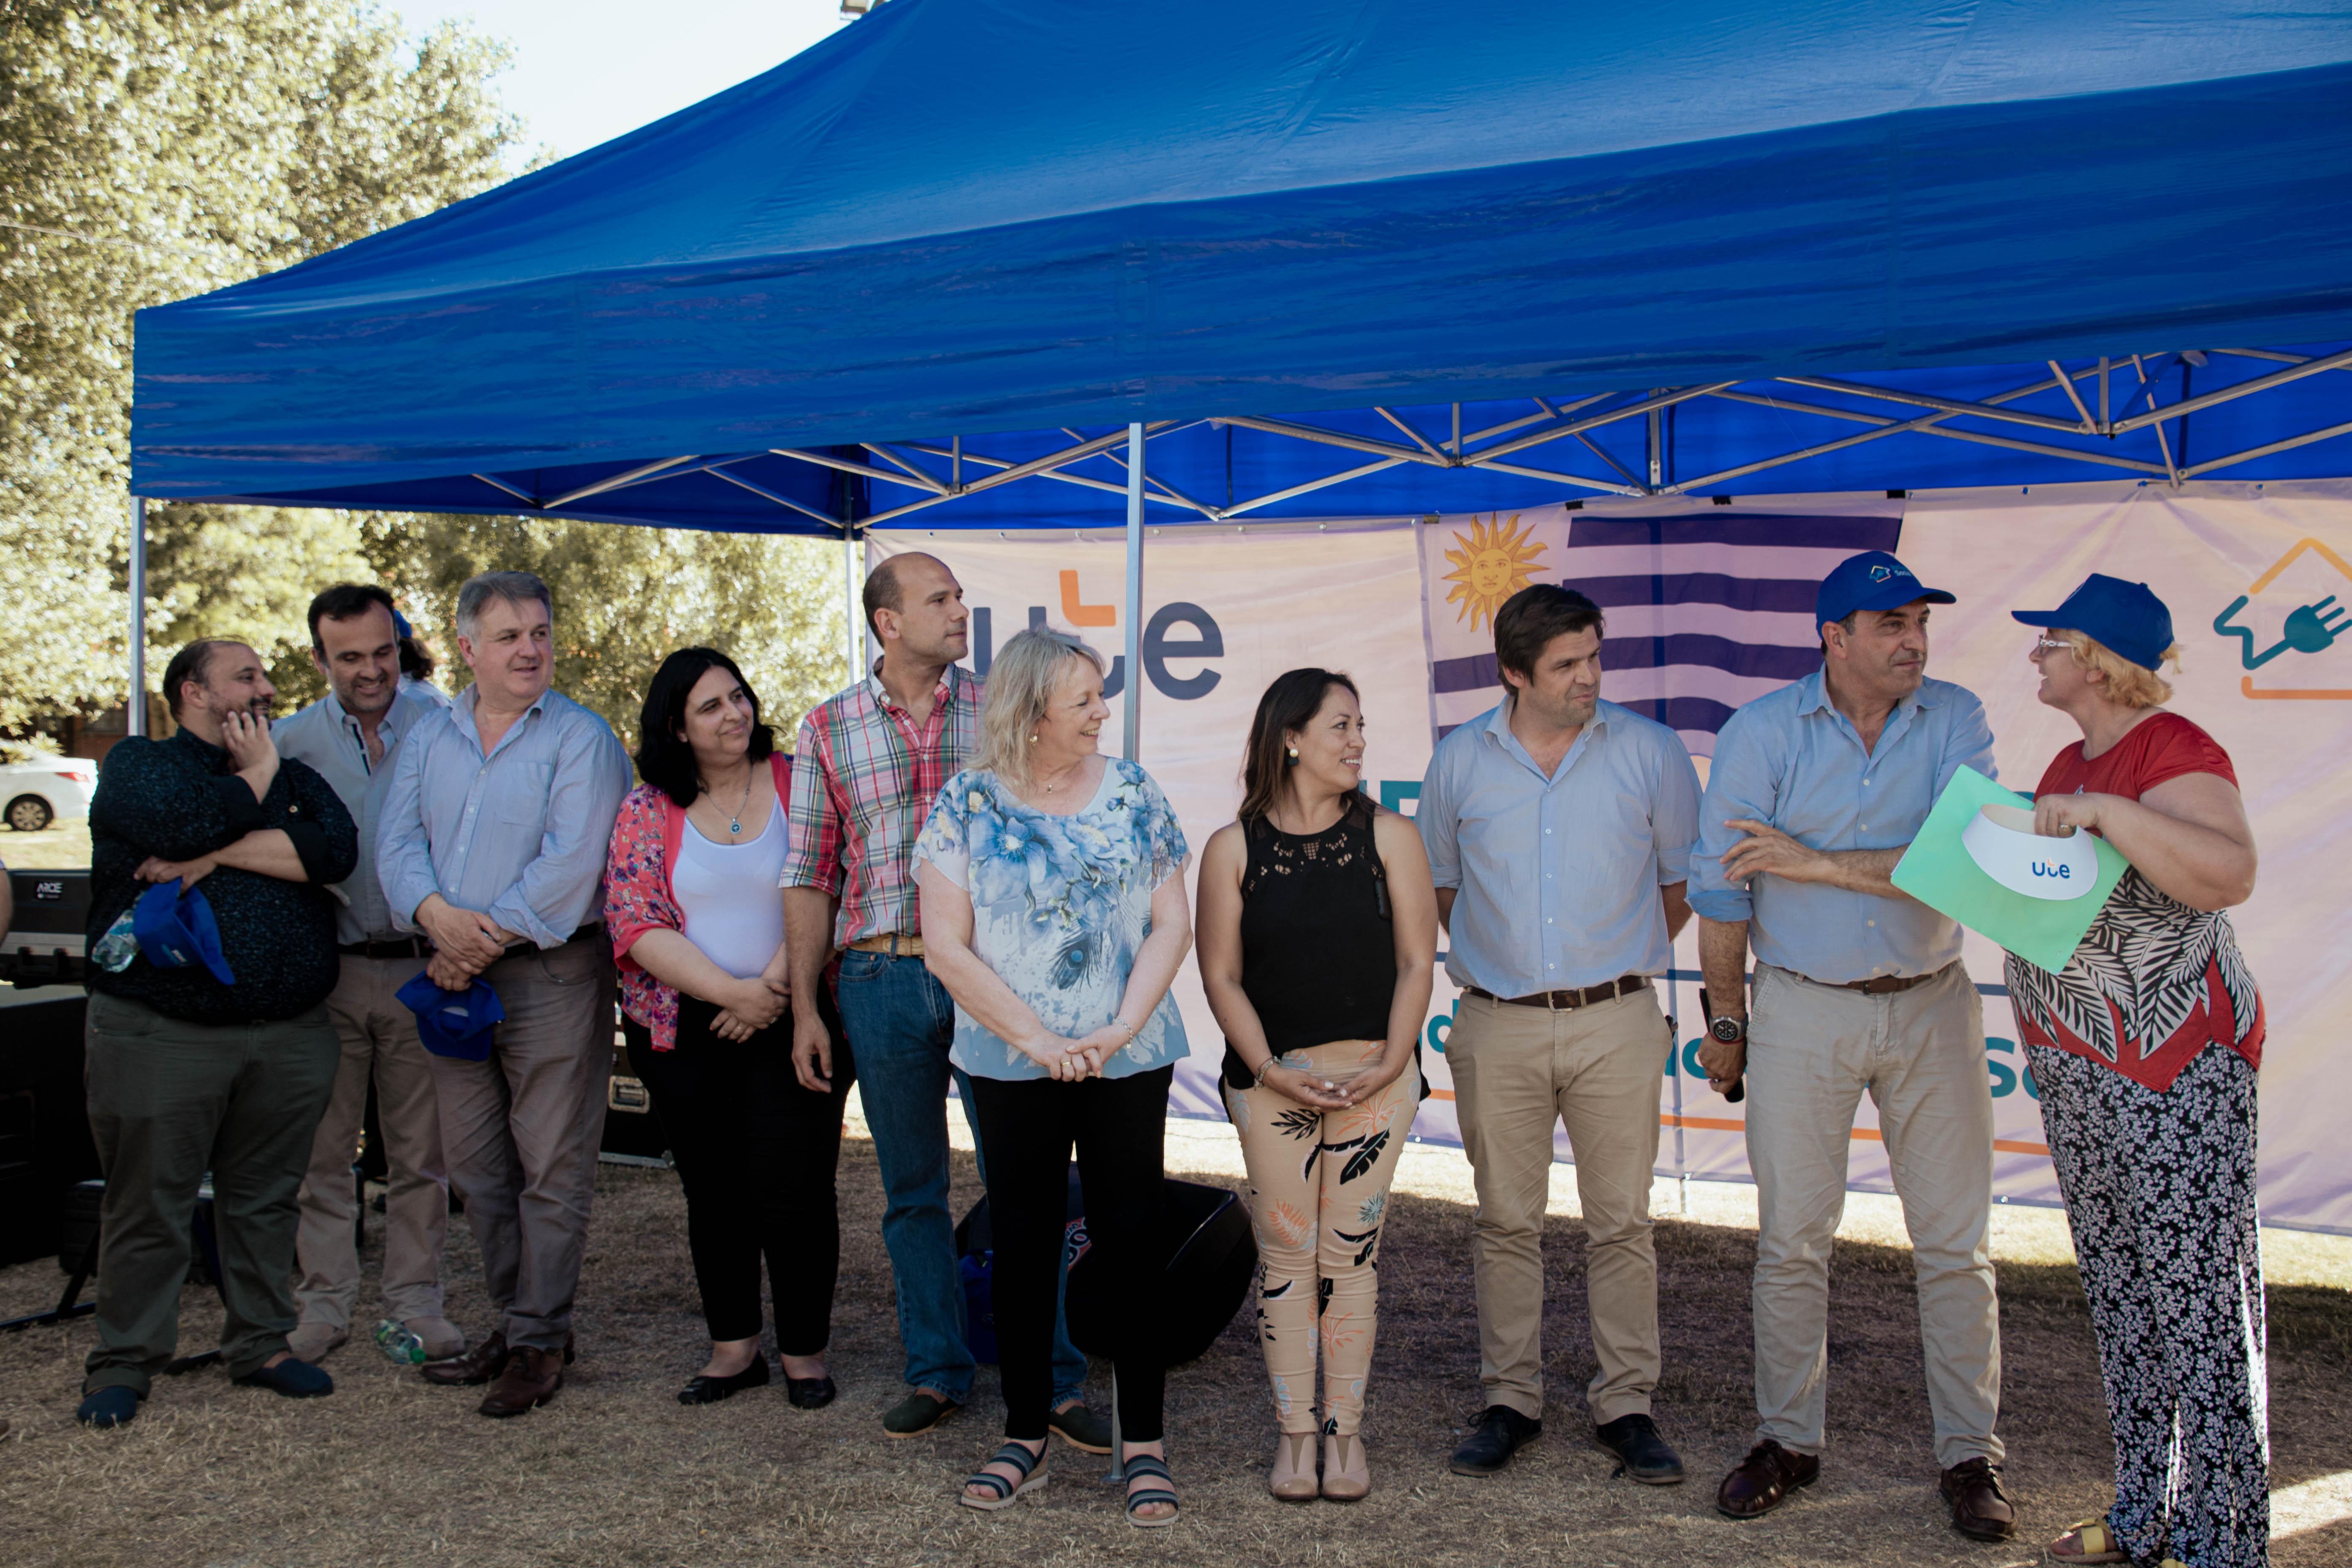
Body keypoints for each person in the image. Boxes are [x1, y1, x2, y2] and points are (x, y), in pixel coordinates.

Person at [1689, 550, 2016, 1541]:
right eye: (1890, 624)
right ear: (1834, 638)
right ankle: (1788, 1437)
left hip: (1931, 1003)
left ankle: (1971, 1456)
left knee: (1957, 1246)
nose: (1913, 639)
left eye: (1919, 620)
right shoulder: (1761, 731)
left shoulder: (1956, 716)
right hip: (1801, 1007)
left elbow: (1968, 866)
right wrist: (1727, 1023)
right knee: (1792, 1239)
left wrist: (1817, 863)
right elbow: (1722, 893)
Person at [780, 553, 1104, 1448]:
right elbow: (809, 872)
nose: (962, 610)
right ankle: (938, 1369)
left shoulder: (1002, 709)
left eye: (961, 594)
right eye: (940, 598)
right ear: (888, 621)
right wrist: (807, 1007)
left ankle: (1061, 1381)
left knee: (1029, 1185)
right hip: (879, 979)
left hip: (998, 978)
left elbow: (1060, 823)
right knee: (911, 1189)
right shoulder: (827, 727)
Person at [2002, 578, 2268, 1568]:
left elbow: (2227, 869)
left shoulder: (2172, 750)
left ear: (2098, 658)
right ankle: (2151, 1510)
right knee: (2125, 1295)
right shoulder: (2074, 756)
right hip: (2085, 1070)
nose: (2037, 656)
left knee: (2198, 1299)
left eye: (2050, 642)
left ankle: (2223, 1539)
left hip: (2173, 1071)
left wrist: (2105, 809)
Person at [1414, 585, 1701, 1486]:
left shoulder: (1651, 752)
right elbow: (1442, 891)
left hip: (1618, 1017)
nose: (1589, 677)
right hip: (1496, 1022)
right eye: (1566, 665)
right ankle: (1511, 1400)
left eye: (1594, 657)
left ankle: (1628, 1404)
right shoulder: (1458, 761)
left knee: (1621, 1223)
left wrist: (1605, 959)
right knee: (1505, 1221)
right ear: (1513, 673)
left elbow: (1678, 884)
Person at [912, 628, 1193, 1526]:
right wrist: (1035, 1038)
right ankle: (1024, 1433)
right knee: (1024, 1243)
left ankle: (1142, 1445)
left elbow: (1170, 925)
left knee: (1132, 1240)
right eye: (1083, 699)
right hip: (1009, 1061)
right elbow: (944, 943)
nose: (1102, 711)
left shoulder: (1135, 792)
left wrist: (1115, 1028)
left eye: (1099, 696)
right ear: (1032, 713)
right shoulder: (965, 803)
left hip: (1127, 1058)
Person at [74, 639, 357, 1428]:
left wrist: (215, 851)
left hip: (288, 1034)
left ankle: (262, 1343)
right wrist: (257, 789)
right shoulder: (139, 766)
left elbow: (333, 850)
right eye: (248, 678)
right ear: (194, 693)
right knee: (148, 1203)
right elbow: (182, 817)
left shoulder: (295, 775)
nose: (268, 689)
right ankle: (126, 1362)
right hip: (164, 1032)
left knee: (265, 1201)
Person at [378, 571, 632, 1419]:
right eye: (511, 634)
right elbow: (397, 843)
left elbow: (571, 864)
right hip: (452, 977)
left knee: (551, 1166)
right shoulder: (427, 735)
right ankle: (527, 1321)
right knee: (481, 1169)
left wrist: (472, 941)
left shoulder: (582, 738)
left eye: (541, 631)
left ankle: (536, 1338)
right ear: (467, 647)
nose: (530, 648)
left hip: (550, 972)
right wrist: (438, 920)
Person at [1197, 668, 1437, 1502]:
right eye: (1341, 725)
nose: (1358, 741)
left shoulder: (1392, 836)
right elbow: (1221, 977)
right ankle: (1296, 1434)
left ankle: (1346, 1434)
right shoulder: (1233, 848)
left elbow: (1416, 961)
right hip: (1273, 1086)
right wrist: (1269, 1070)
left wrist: (1392, 1057)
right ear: (1290, 737)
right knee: (1288, 1255)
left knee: (1352, 1255)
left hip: (1378, 1075)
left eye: (1361, 725)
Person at [604, 648, 854, 1408]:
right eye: (710, 706)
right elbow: (634, 919)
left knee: (798, 1190)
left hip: (800, 1014)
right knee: (714, 1192)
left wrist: (776, 987)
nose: (734, 713)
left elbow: (837, 876)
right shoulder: (647, 808)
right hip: (686, 1030)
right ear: (676, 729)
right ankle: (734, 1349)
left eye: (738, 696)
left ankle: (805, 1353)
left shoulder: (798, 781)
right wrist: (732, 996)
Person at [272, 584, 462, 1365]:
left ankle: (417, 1303)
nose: (372, 670)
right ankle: (323, 1304)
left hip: (424, 970)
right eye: (350, 658)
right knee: (324, 1154)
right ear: (320, 660)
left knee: (422, 1156)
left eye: (383, 652)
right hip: (332, 974)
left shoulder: (446, 726)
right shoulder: (286, 745)